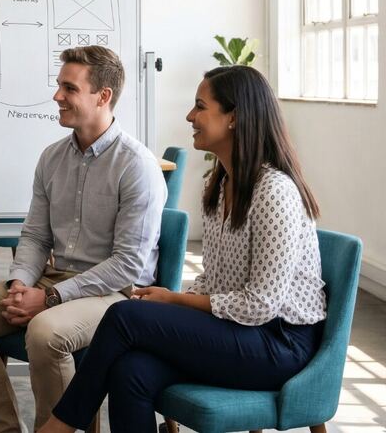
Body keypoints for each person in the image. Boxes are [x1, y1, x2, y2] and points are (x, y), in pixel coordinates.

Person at [37, 65, 327, 433]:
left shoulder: (274, 192)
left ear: (234, 118)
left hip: (278, 344)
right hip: (239, 332)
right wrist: (172, 301)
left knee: (124, 316)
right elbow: (216, 280)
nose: (190, 116)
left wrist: (175, 302)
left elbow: (260, 304)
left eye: (200, 106)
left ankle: (60, 425)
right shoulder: (220, 185)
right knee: (130, 372)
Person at [0, 45, 164, 433]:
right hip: (52, 280)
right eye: (60, 86)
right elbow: (36, 236)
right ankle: (3, 429)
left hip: (115, 294)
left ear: (103, 96)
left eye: (69, 88)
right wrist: (19, 285)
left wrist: (51, 298)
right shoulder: (51, 157)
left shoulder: (136, 165)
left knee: (45, 332)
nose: (57, 96)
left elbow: (128, 264)